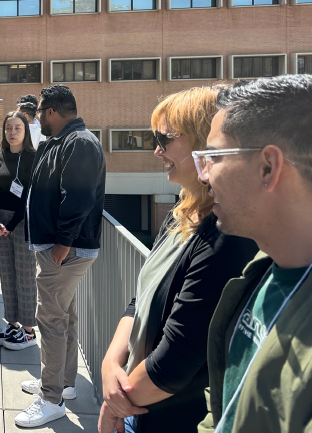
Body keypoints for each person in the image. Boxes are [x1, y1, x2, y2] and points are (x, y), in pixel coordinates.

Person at [97, 87, 258, 433]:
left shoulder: (226, 235)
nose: (157, 150)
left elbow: (178, 357)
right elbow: (141, 298)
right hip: (135, 400)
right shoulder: (181, 212)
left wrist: (115, 403)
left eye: (164, 138)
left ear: (204, 141)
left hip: (165, 416)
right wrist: (110, 363)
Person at [194, 75, 312, 433]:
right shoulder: (264, 267)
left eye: (214, 156)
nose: (205, 175)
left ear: (268, 167)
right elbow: (225, 404)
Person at [15, 85, 105, 428]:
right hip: (59, 249)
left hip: (66, 251)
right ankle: (63, 383)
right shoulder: (61, 141)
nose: (37, 118)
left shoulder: (79, 142)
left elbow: (78, 197)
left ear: (52, 111)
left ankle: (50, 398)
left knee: (50, 318)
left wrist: (62, 244)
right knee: (63, 314)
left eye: (39, 112)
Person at [0, 111, 38, 350]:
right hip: (2, 224)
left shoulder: (33, 157)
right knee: (7, 274)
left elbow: (27, 197)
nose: (12, 132)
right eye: (8, 127)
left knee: (25, 274)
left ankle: (29, 331)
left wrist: (9, 226)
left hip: (23, 222)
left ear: (25, 130)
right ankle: (13, 324)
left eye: (17, 127)